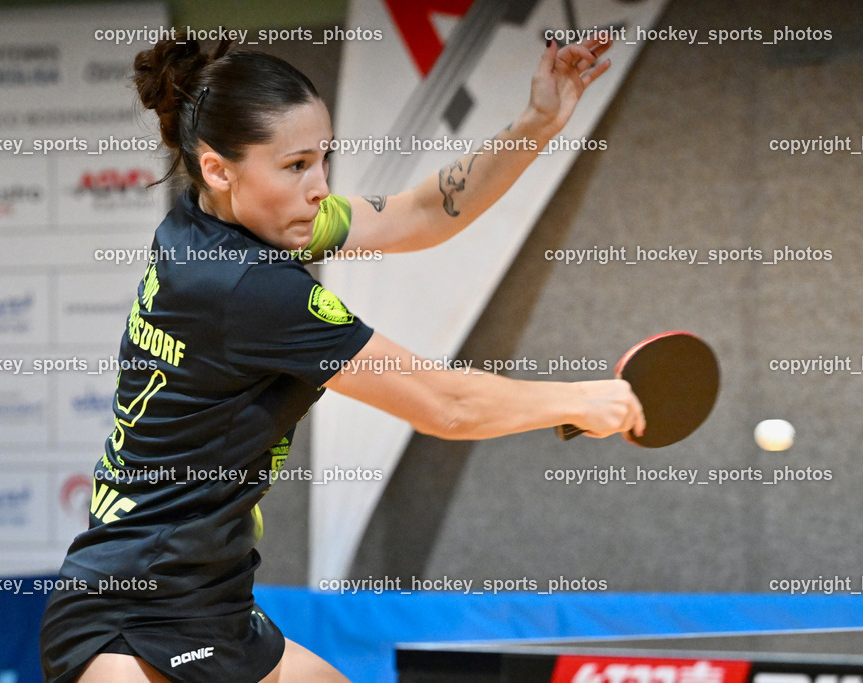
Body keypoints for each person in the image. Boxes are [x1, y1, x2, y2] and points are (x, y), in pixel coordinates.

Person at [39, 33, 642, 683]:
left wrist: (538, 122)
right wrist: (581, 399)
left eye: (323, 158)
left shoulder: (214, 219)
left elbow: (421, 213)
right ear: (218, 168)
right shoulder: (247, 287)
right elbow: (445, 404)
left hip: (213, 606)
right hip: (132, 620)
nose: (319, 186)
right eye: (296, 165)